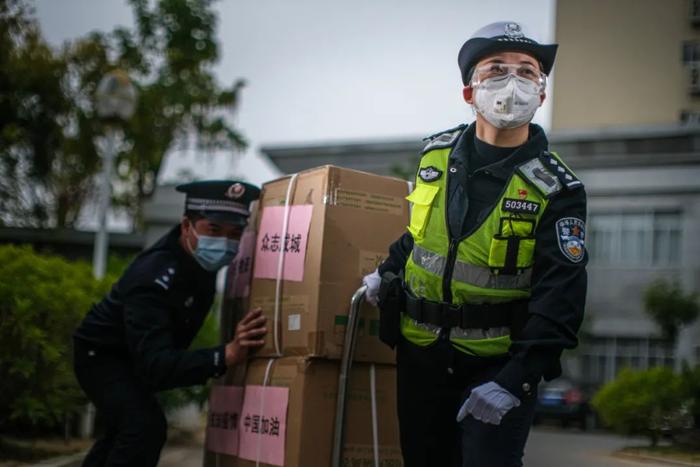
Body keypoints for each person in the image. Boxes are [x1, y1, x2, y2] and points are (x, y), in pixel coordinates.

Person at [363, 21, 587, 467]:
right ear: (470, 92)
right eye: (496, 70)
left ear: (541, 94)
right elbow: (423, 236)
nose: (513, 82)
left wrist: (515, 380)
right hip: (420, 355)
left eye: (528, 72)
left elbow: (561, 294)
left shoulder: (558, 188)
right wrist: (387, 270)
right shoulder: (436, 156)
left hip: (496, 365)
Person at [73, 180, 267, 467]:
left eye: (234, 233)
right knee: (143, 428)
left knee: (125, 431)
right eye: (213, 230)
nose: (224, 242)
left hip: (136, 356)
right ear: (187, 226)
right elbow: (156, 366)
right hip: (103, 357)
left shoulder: (198, 262)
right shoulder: (153, 277)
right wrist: (224, 355)